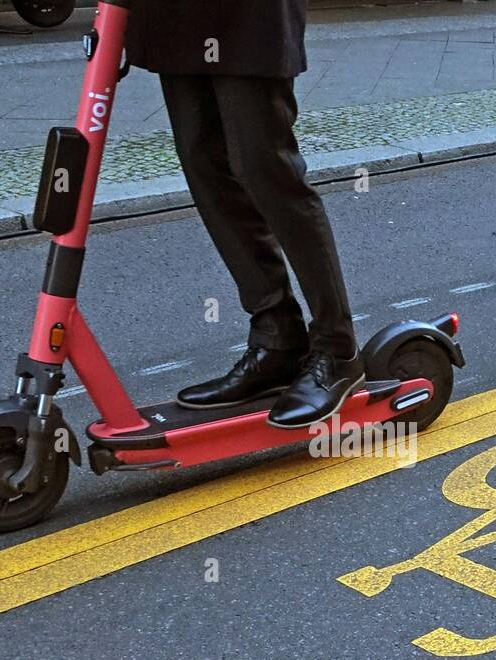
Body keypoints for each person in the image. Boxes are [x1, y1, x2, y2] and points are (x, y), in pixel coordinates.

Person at [126, 0, 363, 429]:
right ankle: (278, 339)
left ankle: (337, 347)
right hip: (174, 17)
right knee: (204, 166)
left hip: (249, 15)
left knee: (265, 169)